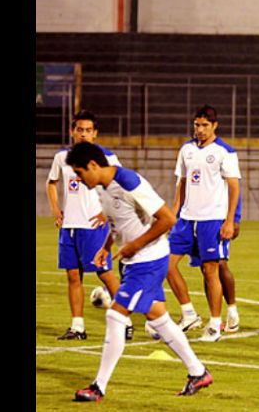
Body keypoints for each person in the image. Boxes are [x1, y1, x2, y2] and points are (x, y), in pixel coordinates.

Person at [66, 142, 213, 401]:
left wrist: (135, 244)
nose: (78, 178)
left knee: (115, 315)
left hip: (149, 261)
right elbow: (120, 223)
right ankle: (198, 372)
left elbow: (168, 218)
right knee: (159, 319)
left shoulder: (128, 181)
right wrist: (106, 246)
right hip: (134, 261)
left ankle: (98, 386)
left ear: (92, 165)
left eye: (79, 172)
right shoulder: (102, 188)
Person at [46, 110, 133, 341]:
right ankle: (78, 327)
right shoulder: (61, 157)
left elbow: (121, 188)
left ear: (95, 134)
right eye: (79, 130)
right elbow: (51, 183)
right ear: (72, 131)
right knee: (73, 276)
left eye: (88, 130)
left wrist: (108, 213)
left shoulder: (107, 158)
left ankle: (125, 322)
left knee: (105, 274)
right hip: (69, 226)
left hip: (94, 226)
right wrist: (56, 209)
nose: (83, 134)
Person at [167, 105, 241, 342]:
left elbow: (234, 187)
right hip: (187, 219)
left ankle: (215, 324)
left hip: (212, 220)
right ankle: (188, 313)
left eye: (205, 125)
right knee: (166, 264)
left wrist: (230, 220)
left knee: (211, 271)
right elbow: (182, 183)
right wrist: (173, 213)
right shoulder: (186, 149)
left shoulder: (224, 151)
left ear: (215, 126)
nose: (200, 129)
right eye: (197, 125)